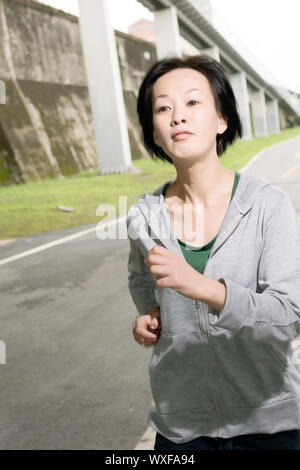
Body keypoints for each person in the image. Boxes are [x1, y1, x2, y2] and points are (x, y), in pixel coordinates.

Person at [126, 54, 300, 450]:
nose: (177, 117)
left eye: (192, 102)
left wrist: (205, 288)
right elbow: (141, 281)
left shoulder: (266, 205)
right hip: (180, 430)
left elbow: (291, 315)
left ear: (221, 119)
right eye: (163, 107)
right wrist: (150, 317)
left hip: (268, 426)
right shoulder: (143, 215)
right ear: (154, 132)